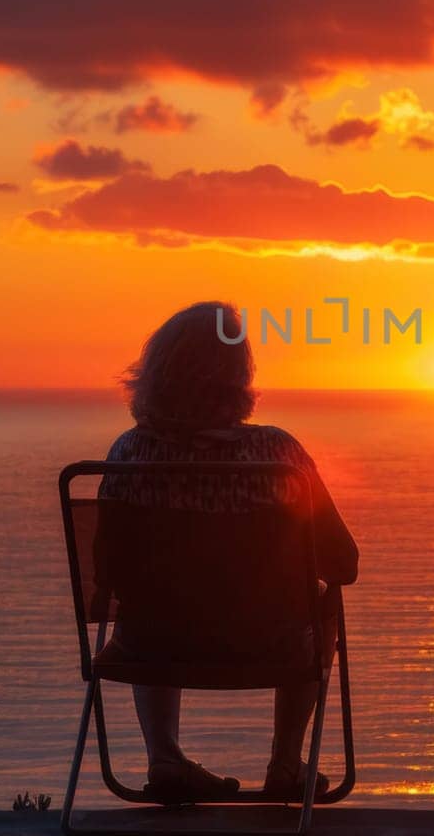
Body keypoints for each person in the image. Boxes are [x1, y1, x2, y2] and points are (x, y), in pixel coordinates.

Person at [97, 301, 359, 804]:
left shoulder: (129, 454)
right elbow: (343, 563)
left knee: (147, 609)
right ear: (239, 376)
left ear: (154, 373)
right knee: (327, 604)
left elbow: (108, 569)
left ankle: (165, 759)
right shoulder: (279, 456)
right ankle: (285, 763)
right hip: (271, 645)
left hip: (151, 645)